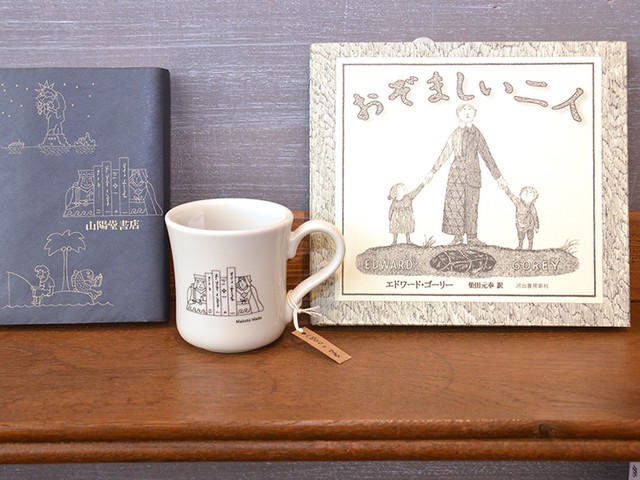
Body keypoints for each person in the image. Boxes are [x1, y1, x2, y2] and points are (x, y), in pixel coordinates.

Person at [425, 104, 508, 245]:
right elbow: (445, 153)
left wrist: (499, 178)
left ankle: (472, 237)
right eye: (463, 109)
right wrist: (432, 171)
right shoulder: (455, 134)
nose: (467, 112)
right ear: (458, 113)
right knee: (455, 206)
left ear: (475, 113)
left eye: (470, 109)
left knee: (472, 206)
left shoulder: (477, 133)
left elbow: (487, 155)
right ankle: (457, 237)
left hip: (472, 174)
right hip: (456, 174)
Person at [387, 180, 426, 245]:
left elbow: (416, 191)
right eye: (403, 189)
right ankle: (394, 241)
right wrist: (390, 216)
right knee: (395, 229)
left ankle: (408, 240)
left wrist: (423, 184)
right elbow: (391, 209)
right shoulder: (394, 201)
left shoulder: (408, 197)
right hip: (396, 219)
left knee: (407, 228)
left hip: (406, 218)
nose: (405, 189)